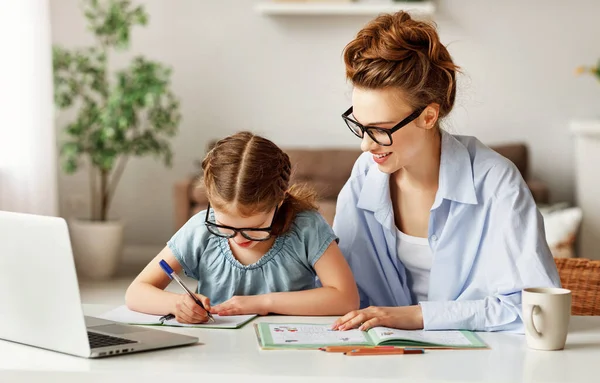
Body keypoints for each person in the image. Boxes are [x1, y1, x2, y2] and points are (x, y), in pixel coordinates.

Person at [331, 11, 560, 333]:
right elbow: (339, 289)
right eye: (359, 126)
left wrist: (416, 316)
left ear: (428, 117)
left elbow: (534, 309)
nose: (365, 146)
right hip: (382, 356)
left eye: (380, 130)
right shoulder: (365, 175)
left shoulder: (496, 183)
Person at [126, 132, 359, 323]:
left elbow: (346, 298)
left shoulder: (306, 227)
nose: (239, 239)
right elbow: (136, 292)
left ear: (280, 201)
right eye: (225, 226)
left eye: (255, 227)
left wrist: (262, 303)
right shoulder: (200, 229)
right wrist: (177, 304)